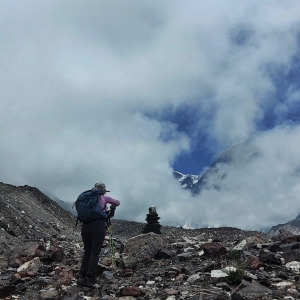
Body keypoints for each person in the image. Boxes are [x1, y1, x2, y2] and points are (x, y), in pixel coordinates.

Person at [77, 182, 120, 287]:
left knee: (87, 251)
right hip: (98, 225)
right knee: (95, 252)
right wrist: (112, 206)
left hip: (85, 226)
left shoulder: (86, 196)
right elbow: (117, 202)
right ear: (103, 190)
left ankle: (82, 277)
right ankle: (91, 278)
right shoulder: (103, 197)